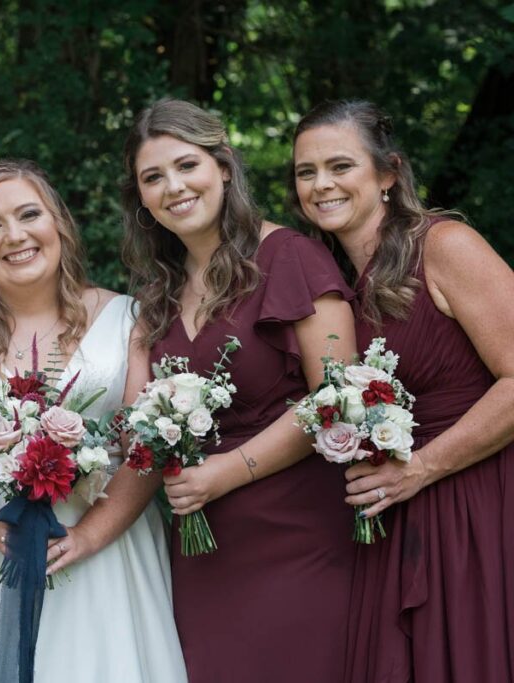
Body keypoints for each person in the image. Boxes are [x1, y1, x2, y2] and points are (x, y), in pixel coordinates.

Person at [49, 99, 358, 682]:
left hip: (300, 536)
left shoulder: (291, 255)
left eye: (187, 165)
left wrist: (226, 472)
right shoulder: (157, 296)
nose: (174, 187)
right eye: (153, 177)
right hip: (203, 549)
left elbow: (335, 396)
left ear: (223, 166)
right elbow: (141, 428)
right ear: (140, 197)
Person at [0, 159, 187, 682]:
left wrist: (88, 537)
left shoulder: (128, 320)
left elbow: (145, 454)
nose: (14, 236)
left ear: (59, 226)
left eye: (29, 214)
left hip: (103, 555)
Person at [292, 99, 514, 683]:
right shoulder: (334, 288)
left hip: (476, 502)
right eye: (305, 172)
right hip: (393, 517)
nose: (321, 185)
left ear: (387, 174)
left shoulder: (444, 246)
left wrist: (423, 467)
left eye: (340, 166)